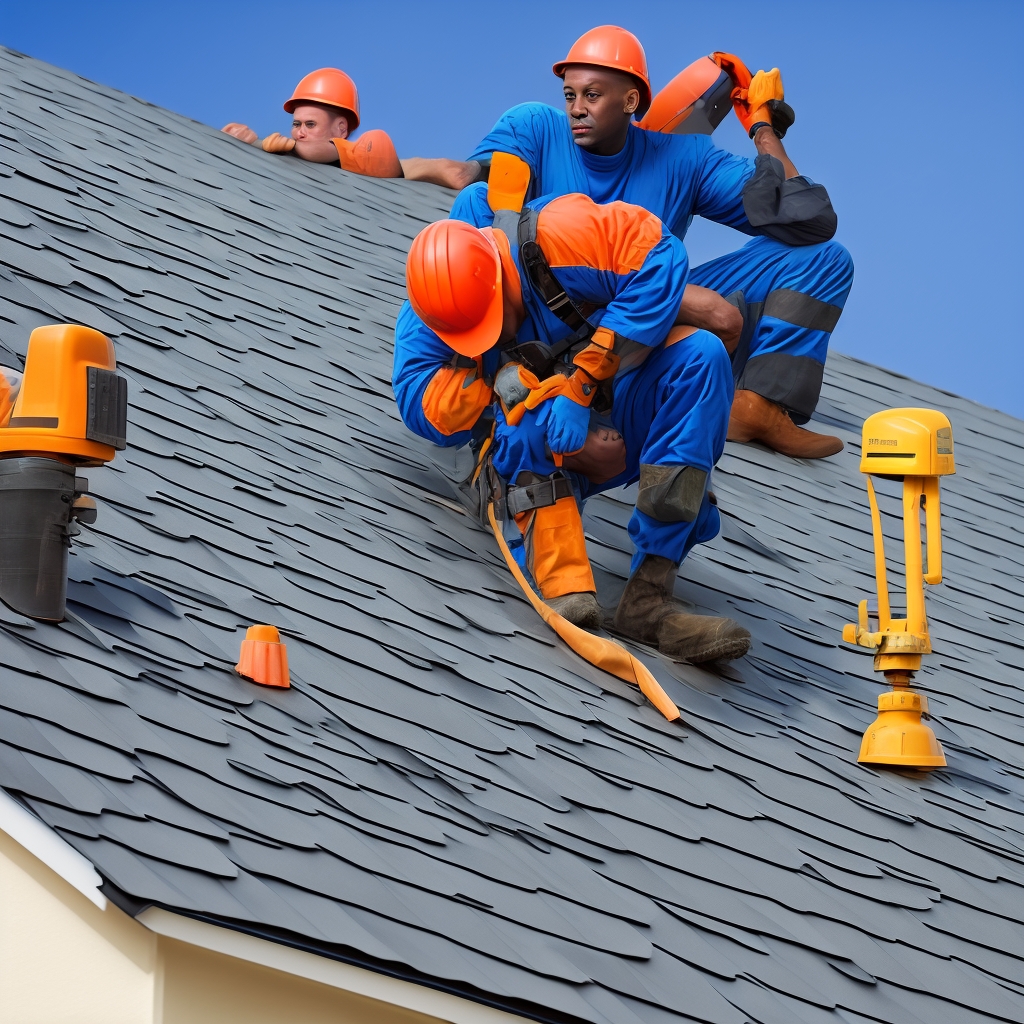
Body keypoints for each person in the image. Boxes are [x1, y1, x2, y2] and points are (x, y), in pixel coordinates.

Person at [438, 27, 854, 458]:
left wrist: (763, 128)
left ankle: (755, 408)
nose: (576, 109)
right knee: (474, 204)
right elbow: (490, 218)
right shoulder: (535, 128)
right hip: (550, 325)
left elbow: (810, 220)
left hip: (648, 317)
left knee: (824, 259)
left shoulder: (684, 158)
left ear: (631, 101)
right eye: (569, 95)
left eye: (592, 95)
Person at [393, 194, 751, 665]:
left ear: (499, 275)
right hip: (530, 445)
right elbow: (419, 404)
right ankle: (564, 586)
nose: (496, 337)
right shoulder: (433, 302)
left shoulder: (560, 234)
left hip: (604, 402)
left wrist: (582, 385)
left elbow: (660, 256)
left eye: (494, 320)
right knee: (522, 428)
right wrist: (505, 388)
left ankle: (649, 600)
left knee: (701, 357)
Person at [222, 68, 482, 188]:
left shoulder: (354, 151)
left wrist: (283, 146)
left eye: (310, 124)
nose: (299, 132)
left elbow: (322, 151)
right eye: (296, 124)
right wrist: (250, 142)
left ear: (341, 128)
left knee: (447, 169)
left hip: (393, 166)